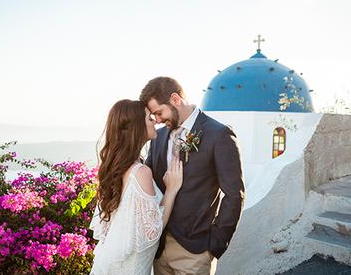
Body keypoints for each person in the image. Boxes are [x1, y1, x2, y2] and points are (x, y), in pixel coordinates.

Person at [140, 77, 245, 275]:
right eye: (154, 116)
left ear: (175, 99)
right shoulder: (159, 137)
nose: (159, 120)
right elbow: (149, 185)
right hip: (159, 250)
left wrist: (214, 245)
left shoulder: (219, 134)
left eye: (159, 112)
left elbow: (234, 194)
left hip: (195, 253)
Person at [89, 99, 183, 275]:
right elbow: (152, 231)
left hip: (108, 264)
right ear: (137, 127)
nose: (155, 120)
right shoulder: (140, 172)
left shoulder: (117, 167)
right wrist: (171, 189)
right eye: (149, 118)